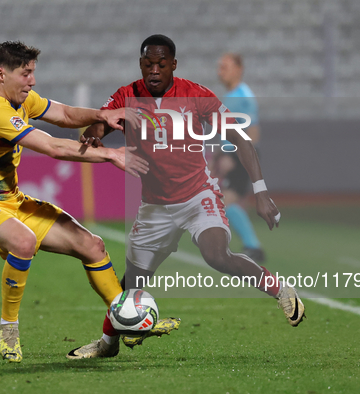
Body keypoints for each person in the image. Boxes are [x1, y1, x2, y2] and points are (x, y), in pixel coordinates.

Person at [69, 35, 305, 359]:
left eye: (161, 64)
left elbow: (241, 138)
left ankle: (279, 290)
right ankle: (107, 345)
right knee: (130, 286)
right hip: (154, 206)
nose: (154, 70)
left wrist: (261, 192)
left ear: (173, 65)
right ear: (140, 65)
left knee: (216, 255)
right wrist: (93, 135)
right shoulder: (127, 96)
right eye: (148, 64)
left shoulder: (196, 95)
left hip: (198, 196)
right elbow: (101, 125)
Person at [0, 41, 150, 363]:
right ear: (0, 74)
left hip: (12, 201)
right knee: (23, 241)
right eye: (26, 73)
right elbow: (52, 147)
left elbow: (63, 114)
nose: (32, 81)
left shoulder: (19, 99)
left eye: (33, 73)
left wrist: (103, 114)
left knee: (93, 246)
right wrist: (111, 154)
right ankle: (8, 327)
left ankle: (126, 318)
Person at [212, 53, 265, 262]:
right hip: (231, 154)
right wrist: (218, 155)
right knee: (227, 200)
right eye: (219, 67)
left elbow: (253, 133)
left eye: (224, 67)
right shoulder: (231, 96)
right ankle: (252, 246)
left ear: (238, 69)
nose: (220, 71)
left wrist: (235, 157)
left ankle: (250, 246)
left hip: (241, 155)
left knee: (225, 200)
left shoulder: (243, 96)